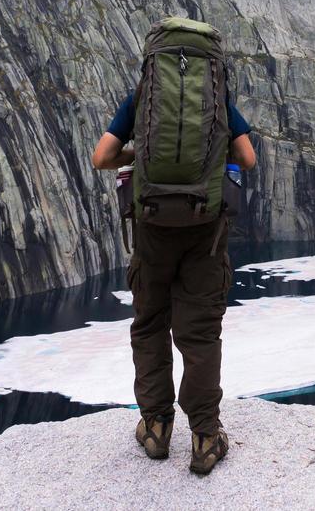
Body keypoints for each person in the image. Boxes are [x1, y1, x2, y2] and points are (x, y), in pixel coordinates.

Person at [91, 77, 256, 475]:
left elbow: (101, 157)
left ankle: (156, 427)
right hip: (205, 234)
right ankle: (204, 437)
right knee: (199, 333)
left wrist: (141, 156)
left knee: (149, 323)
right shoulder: (217, 100)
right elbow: (247, 159)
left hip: (152, 232)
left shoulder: (141, 100)